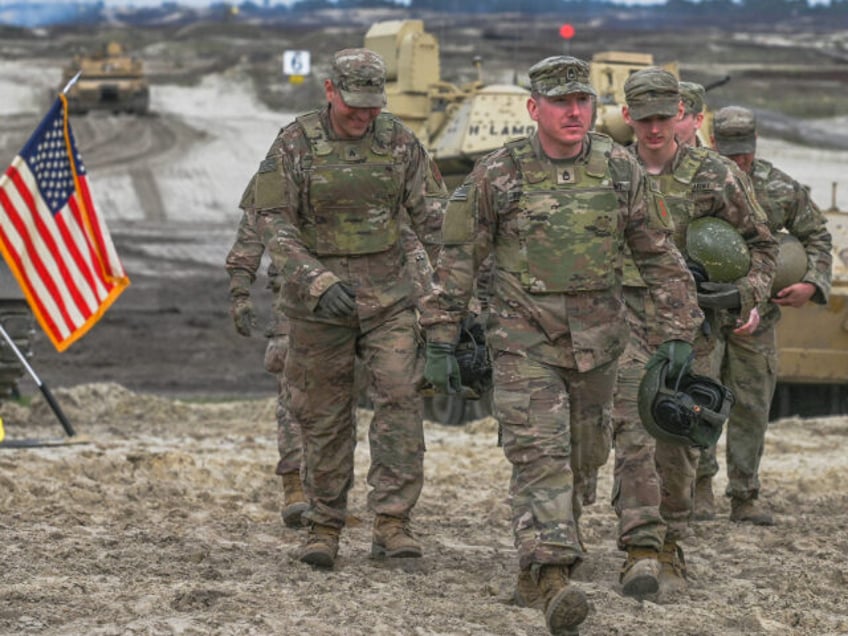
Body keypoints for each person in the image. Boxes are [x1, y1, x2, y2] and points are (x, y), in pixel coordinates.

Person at [419, 55, 704, 636]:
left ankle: (552, 557)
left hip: (600, 344)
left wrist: (678, 332)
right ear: (534, 109)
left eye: (582, 102)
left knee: (584, 456)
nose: (574, 112)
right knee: (540, 455)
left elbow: (658, 256)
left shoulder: (619, 171)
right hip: (524, 341)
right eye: (560, 102)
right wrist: (441, 339)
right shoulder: (497, 176)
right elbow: (457, 263)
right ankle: (551, 576)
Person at [249, 48, 446, 569]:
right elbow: (270, 220)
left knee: (401, 397)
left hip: (389, 300)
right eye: (354, 106)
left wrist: (456, 285)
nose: (364, 117)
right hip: (318, 306)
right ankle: (323, 524)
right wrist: (314, 278)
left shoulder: (400, 142)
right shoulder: (295, 143)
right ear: (330, 91)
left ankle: (392, 522)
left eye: (373, 107)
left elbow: (434, 218)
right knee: (324, 415)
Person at [612, 68, 777, 597]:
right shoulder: (611, 170)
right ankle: (639, 548)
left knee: (678, 440)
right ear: (628, 117)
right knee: (633, 439)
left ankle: (669, 546)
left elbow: (764, 248)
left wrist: (742, 293)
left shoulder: (716, 175)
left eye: (664, 117)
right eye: (644, 119)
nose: (655, 128)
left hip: (690, 329)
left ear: (682, 115)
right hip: (620, 324)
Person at [691, 105, 833, 524]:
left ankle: (744, 494)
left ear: (755, 145)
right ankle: (698, 488)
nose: (739, 162)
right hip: (705, 316)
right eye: (731, 153)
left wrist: (812, 283)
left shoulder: (780, 188)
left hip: (760, 318)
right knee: (699, 400)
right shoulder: (695, 184)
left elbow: (818, 238)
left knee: (752, 405)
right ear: (713, 142)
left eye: (745, 154)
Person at [226, 186, 308, 529]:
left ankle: (330, 495)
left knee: (339, 397)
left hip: (355, 293)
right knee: (292, 391)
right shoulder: (285, 160)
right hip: (293, 295)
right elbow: (251, 230)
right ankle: (295, 487)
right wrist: (240, 292)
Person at [674, 81, 706, 147]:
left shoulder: (712, 157)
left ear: (698, 120)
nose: (670, 124)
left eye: (679, 116)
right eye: (663, 117)